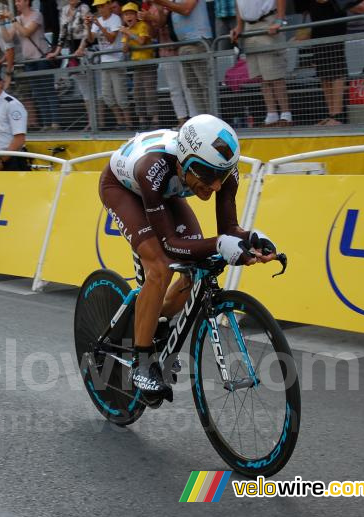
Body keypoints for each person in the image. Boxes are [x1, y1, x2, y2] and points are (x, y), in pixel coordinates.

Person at [99, 114, 277, 398]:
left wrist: (251, 238)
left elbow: (228, 229)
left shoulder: (222, 171)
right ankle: (141, 362)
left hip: (167, 191)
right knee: (160, 267)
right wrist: (221, 244)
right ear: (185, 162)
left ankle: (155, 324)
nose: (216, 185)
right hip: (123, 188)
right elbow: (171, 244)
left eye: (221, 176)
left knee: (197, 267)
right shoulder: (152, 168)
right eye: (207, 176)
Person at [230, 0, 292, 126]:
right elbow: (239, 4)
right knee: (262, 76)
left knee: (275, 74)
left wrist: (279, 20)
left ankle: (286, 115)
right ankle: (272, 114)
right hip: (249, 27)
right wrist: (239, 26)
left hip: (268, 21)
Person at [0, 0, 59, 131]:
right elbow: (8, 38)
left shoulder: (37, 15)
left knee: (48, 91)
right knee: (38, 93)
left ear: (27, 1)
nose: (16, 4)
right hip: (29, 61)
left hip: (41, 58)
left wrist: (12, 19)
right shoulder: (18, 19)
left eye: (19, 1)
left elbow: (26, 32)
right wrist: (2, 23)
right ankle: (46, 123)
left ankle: (55, 122)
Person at [151, 0, 214, 115]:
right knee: (192, 86)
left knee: (205, 83)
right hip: (183, 44)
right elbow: (161, 23)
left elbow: (186, 10)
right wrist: (160, 8)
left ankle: (213, 119)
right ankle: (201, 120)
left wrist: (163, 2)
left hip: (199, 41)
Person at [142, 3, 198, 127]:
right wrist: (147, 21)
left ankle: (194, 119)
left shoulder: (176, 2)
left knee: (188, 86)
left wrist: (156, 15)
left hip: (182, 48)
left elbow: (164, 21)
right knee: (174, 88)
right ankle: (182, 119)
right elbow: (152, 35)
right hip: (166, 51)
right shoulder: (152, 8)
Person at [295, 0, 348, 126]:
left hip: (334, 19)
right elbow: (303, 8)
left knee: (336, 69)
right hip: (318, 22)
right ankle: (331, 115)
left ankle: (338, 116)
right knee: (323, 71)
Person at [86, 0, 132, 130]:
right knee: (107, 96)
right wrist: (88, 27)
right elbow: (90, 39)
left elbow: (111, 39)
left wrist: (99, 26)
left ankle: (128, 124)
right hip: (104, 62)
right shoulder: (99, 20)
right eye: (98, 7)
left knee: (120, 95)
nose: (100, 9)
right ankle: (120, 122)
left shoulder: (115, 19)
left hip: (116, 61)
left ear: (108, 5)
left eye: (102, 6)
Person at [47, 0, 92, 129]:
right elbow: (62, 32)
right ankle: (91, 121)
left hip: (85, 48)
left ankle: (97, 121)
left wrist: (82, 47)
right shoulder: (65, 10)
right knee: (84, 90)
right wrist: (57, 51)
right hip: (73, 50)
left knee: (93, 89)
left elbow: (86, 31)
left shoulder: (84, 8)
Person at [0, 70, 30, 171]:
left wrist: (2, 160)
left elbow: (19, 138)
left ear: (0, 83)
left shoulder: (12, 105)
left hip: (12, 159)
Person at [120, 2, 159, 129]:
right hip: (136, 65)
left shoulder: (142, 25)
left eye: (131, 13)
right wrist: (126, 34)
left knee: (150, 92)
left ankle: (155, 119)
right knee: (138, 93)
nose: (128, 16)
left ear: (136, 15)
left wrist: (128, 33)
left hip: (148, 63)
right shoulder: (127, 30)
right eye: (126, 14)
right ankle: (142, 119)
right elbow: (124, 50)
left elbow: (142, 41)